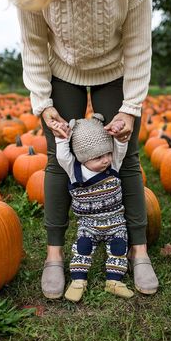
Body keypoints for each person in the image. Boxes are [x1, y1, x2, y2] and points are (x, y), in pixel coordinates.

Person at [6, 0, 159, 299]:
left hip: (114, 68)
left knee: (128, 157)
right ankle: (55, 255)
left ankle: (138, 250)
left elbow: (138, 44)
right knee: (57, 162)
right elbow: (33, 43)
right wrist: (43, 103)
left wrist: (129, 107)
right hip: (62, 69)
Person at [54, 114, 133, 302]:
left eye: (107, 153)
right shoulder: (75, 172)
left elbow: (120, 149)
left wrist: (120, 136)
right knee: (82, 248)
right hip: (88, 224)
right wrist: (61, 137)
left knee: (119, 248)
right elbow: (62, 155)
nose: (105, 160)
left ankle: (114, 281)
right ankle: (78, 280)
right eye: (98, 157)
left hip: (115, 222)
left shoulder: (112, 165)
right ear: (83, 157)